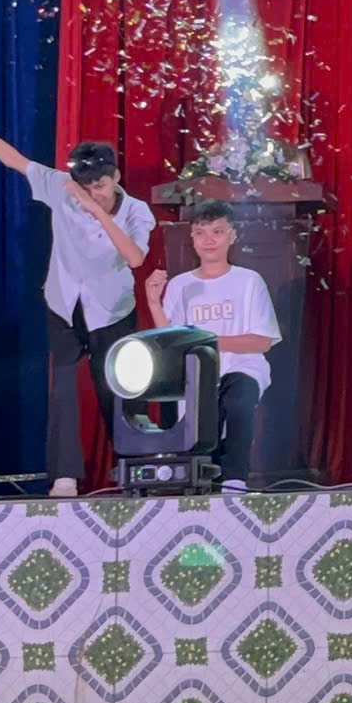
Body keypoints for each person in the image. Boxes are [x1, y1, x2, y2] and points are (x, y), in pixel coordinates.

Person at [0, 89, 154, 497]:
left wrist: (99, 212)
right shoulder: (61, 186)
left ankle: (133, 469)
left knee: (119, 388)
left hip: (112, 309)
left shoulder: (136, 211)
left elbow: (135, 259)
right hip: (63, 301)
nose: (93, 193)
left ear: (116, 177)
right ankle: (64, 475)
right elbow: (13, 158)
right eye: (86, 187)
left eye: (100, 186)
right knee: (62, 387)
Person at [141, 200, 281, 491]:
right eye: (201, 233)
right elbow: (169, 341)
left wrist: (206, 343)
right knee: (202, 428)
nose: (209, 240)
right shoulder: (181, 285)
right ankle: (203, 482)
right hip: (197, 375)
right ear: (192, 238)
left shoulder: (249, 281)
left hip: (242, 365)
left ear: (232, 236)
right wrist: (153, 302)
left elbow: (262, 340)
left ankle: (235, 479)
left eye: (217, 232)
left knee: (239, 398)